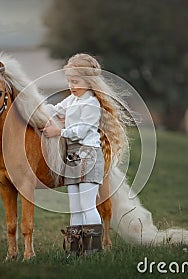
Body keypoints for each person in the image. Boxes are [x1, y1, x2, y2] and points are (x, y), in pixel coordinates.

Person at [43, 53, 131, 256]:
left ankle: (92, 249)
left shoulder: (91, 104)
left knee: (87, 205)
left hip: (88, 156)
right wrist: (34, 105)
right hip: (73, 157)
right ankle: (76, 250)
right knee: (75, 207)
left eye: (75, 81)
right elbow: (54, 109)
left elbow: (82, 130)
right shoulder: (72, 100)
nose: (71, 85)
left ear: (89, 81)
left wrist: (60, 132)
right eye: (69, 81)